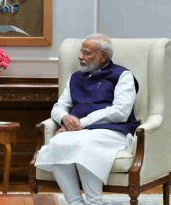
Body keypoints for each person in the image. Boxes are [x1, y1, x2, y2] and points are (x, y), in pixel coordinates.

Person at [35, 33, 140, 205]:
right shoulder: (76, 77)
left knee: (84, 145)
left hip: (113, 131)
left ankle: (94, 202)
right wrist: (65, 117)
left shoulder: (122, 75)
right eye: (81, 51)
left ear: (103, 56)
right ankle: (75, 202)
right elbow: (59, 106)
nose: (80, 56)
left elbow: (120, 111)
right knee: (57, 143)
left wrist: (81, 123)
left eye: (86, 53)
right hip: (79, 132)